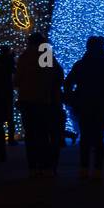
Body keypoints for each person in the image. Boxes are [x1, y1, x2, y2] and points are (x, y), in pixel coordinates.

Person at [64, 36, 104, 180]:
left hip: (84, 102)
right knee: (98, 137)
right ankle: (98, 169)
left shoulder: (82, 63)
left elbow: (68, 82)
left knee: (85, 137)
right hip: (101, 103)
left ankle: (84, 168)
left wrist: (71, 99)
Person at [15, 34, 64, 176]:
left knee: (31, 136)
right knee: (44, 135)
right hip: (43, 101)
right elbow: (51, 76)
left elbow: (17, 80)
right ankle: (46, 165)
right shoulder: (45, 53)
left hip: (27, 101)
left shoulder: (24, 57)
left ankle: (33, 166)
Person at [0, 46, 17, 144]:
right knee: (10, 117)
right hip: (7, 90)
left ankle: (2, 138)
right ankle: (11, 138)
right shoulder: (9, 61)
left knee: (1, 116)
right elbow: (15, 71)